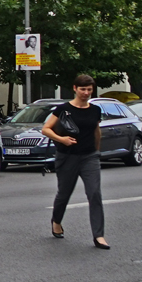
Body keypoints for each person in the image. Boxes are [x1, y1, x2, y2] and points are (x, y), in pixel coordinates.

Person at [45, 74, 110, 249]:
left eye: (89, 90)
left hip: (89, 157)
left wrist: (97, 151)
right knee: (64, 194)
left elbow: (96, 131)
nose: (86, 93)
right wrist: (62, 139)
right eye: (83, 89)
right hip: (67, 157)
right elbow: (46, 129)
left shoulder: (95, 110)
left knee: (94, 193)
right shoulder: (63, 109)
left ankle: (99, 235)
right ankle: (56, 221)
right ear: (75, 89)